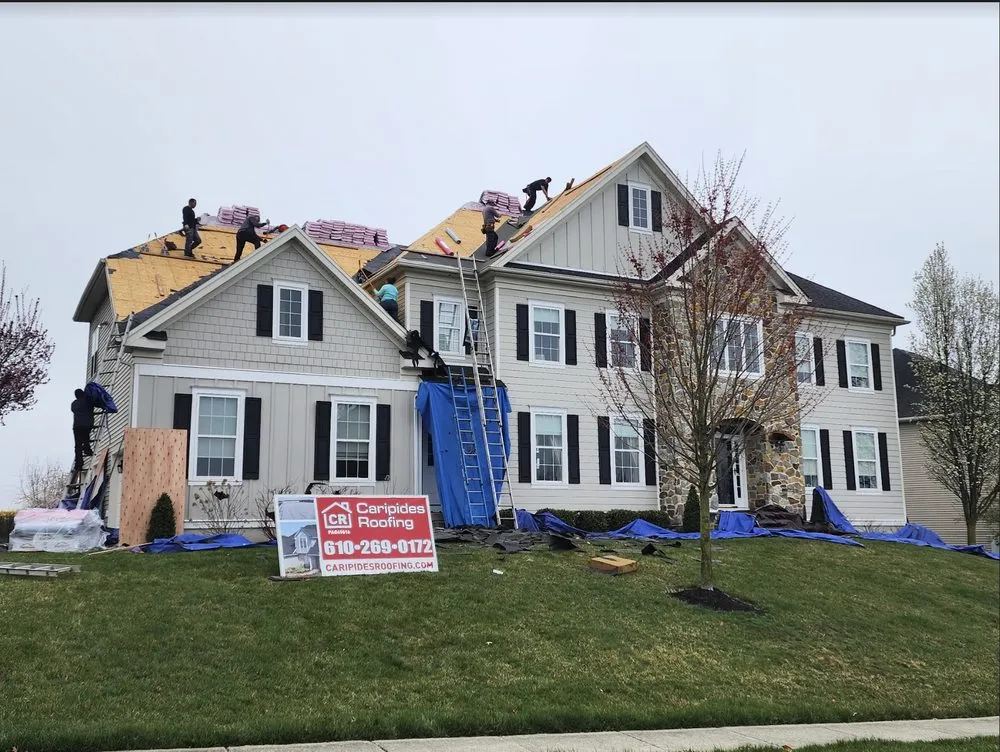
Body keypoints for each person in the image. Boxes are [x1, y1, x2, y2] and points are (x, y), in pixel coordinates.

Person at [71, 388, 95, 475]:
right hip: (87, 424)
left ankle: (78, 464)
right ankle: (87, 450)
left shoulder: (74, 404)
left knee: (78, 445)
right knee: (86, 439)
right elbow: (96, 404)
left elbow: (74, 410)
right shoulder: (88, 401)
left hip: (77, 426)